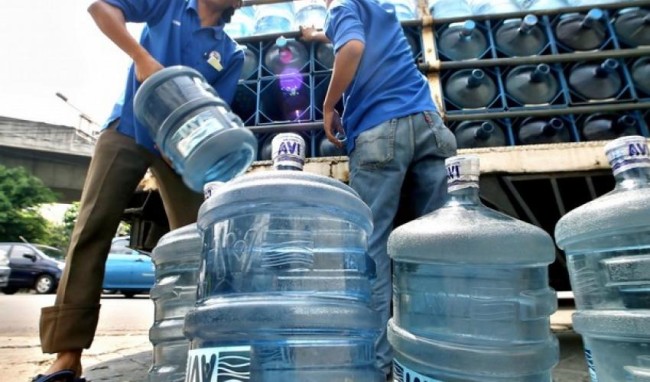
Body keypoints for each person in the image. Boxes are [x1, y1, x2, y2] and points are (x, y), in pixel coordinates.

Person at [33, 0, 244, 380]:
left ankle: (197, 347)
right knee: (91, 229)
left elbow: (215, 108)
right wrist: (142, 58)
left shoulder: (230, 52)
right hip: (129, 127)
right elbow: (101, 8)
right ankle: (67, 354)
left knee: (201, 243)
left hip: (179, 150)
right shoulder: (169, 8)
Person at [300, 0, 457, 377]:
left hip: (379, 131)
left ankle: (377, 367)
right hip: (430, 126)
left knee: (372, 249)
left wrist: (328, 103)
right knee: (439, 246)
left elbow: (352, 45)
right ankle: (440, 356)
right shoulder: (381, 8)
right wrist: (318, 36)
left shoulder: (339, 5)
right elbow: (350, 31)